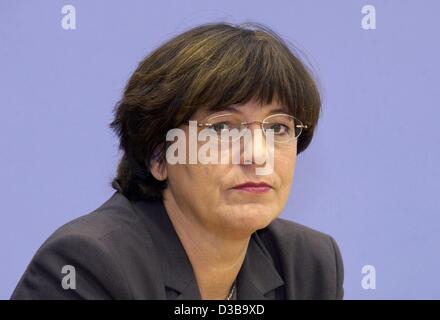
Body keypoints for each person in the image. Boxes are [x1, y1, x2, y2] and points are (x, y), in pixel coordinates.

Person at [11, 22, 344, 300]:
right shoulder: (87, 265)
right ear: (159, 155)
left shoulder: (308, 264)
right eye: (223, 128)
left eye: (277, 128)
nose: (258, 155)